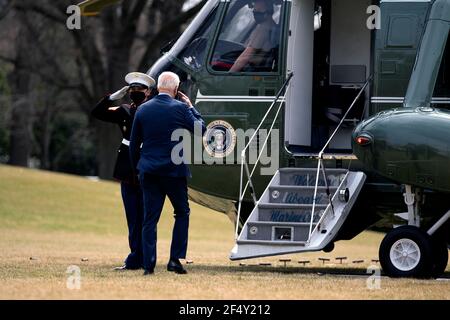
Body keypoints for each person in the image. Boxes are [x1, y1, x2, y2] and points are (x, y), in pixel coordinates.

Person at [129, 71, 206, 276]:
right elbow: (201, 130)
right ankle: (174, 259)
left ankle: (149, 264)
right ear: (176, 88)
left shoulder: (143, 110)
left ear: (158, 87)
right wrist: (191, 106)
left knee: (149, 219)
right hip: (174, 172)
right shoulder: (181, 108)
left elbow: (133, 145)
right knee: (181, 213)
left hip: (149, 170)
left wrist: (138, 168)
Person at [91, 72, 155, 270]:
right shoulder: (125, 110)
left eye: (140, 90)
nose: (136, 93)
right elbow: (97, 113)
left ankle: (147, 259)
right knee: (133, 218)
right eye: (133, 90)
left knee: (147, 218)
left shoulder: (154, 110)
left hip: (148, 168)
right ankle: (135, 258)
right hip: (128, 170)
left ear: (148, 92)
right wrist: (111, 98)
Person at [229, 0, 278, 72]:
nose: (255, 13)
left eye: (259, 10)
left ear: (268, 12)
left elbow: (244, 58)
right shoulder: (273, 26)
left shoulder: (263, 29)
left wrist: (228, 74)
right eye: (254, 10)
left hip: (253, 71)